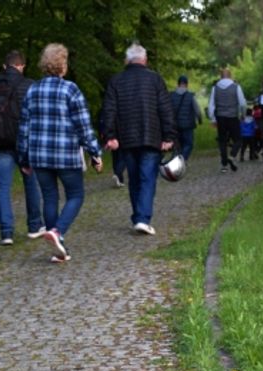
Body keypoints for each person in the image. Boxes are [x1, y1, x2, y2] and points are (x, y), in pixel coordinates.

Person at [17, 43, 103, 263]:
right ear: (62, 65)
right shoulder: (71, 90)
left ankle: (59, 248)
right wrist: (95, 152)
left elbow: (24, 127)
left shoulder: (32, 90)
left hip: (40, 156)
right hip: (66, 155)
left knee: (50, 197)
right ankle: (58, 232)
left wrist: (23, 157)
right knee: (76, 195)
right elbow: (83, 126)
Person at [101, 43, 176, 236]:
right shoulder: (155, 80)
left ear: (127, 60)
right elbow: (165, 109)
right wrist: (168, 136)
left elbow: (109, 110)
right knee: (147, 178)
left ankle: (138, 216)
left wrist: (110, 135)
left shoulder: (116, 81)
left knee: (134, 179)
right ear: (145, 60)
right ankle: (142, 218)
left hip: (126, 139)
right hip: (151, 136)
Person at [0, 50, 43, 245]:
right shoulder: (29, 85)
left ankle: (6, 232)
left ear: (4, 66)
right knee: (31, 183)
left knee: (3, 188)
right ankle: (34, 225)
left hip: (0, 143)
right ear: (22, 66)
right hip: (25, 143)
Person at [208, 68, 246, 172]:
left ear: (221, 76)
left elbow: (211, 104)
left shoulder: (215, 88)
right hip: (233, 117)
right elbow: (242, 103)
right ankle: (232, 155)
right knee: (238, 140)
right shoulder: (236, 87)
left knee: (222, 141)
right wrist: (242, 114)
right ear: (230, 76)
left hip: (220, 117)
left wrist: (212, 118)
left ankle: (224, 165)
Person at [171, 75, 203, 161]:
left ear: (178, 84)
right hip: (188, 125)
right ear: (187, 84)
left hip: (175, 125)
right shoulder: (190, 96)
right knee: (188, 144)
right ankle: (182, 160)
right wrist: (199, 120)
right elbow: (197, 110)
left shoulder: (171, 96)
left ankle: (176, 161)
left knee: (178, 145)